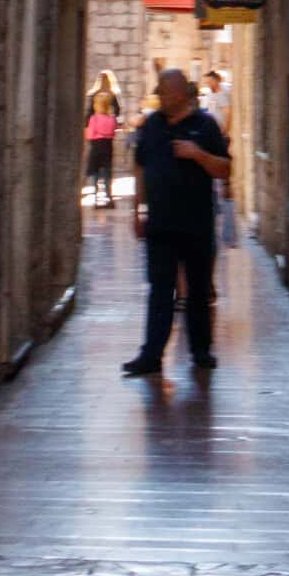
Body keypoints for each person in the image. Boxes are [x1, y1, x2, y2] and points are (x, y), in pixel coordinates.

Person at [124, 67, 231, 377]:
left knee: (197, 290)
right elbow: (141, 168)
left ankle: (200, 352)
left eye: (165, 92)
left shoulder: (205, 125)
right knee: (160, 289)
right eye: (159, 91)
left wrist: (198, 154)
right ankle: (151, 355)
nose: (161, 96)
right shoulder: (153, 126)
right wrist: (138, 211)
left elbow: (224, 169)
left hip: (196, 223)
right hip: (160, 223)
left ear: (182, 93)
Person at [83, 70, 120, 204]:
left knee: (94, 168)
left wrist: (88, 132)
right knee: (107, 168)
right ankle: (108, 194)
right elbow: (117, 112)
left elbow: (88, 116)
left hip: (95, 143)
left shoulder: (94, 96)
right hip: (107, 143)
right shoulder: (112, 95)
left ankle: (94, 193)